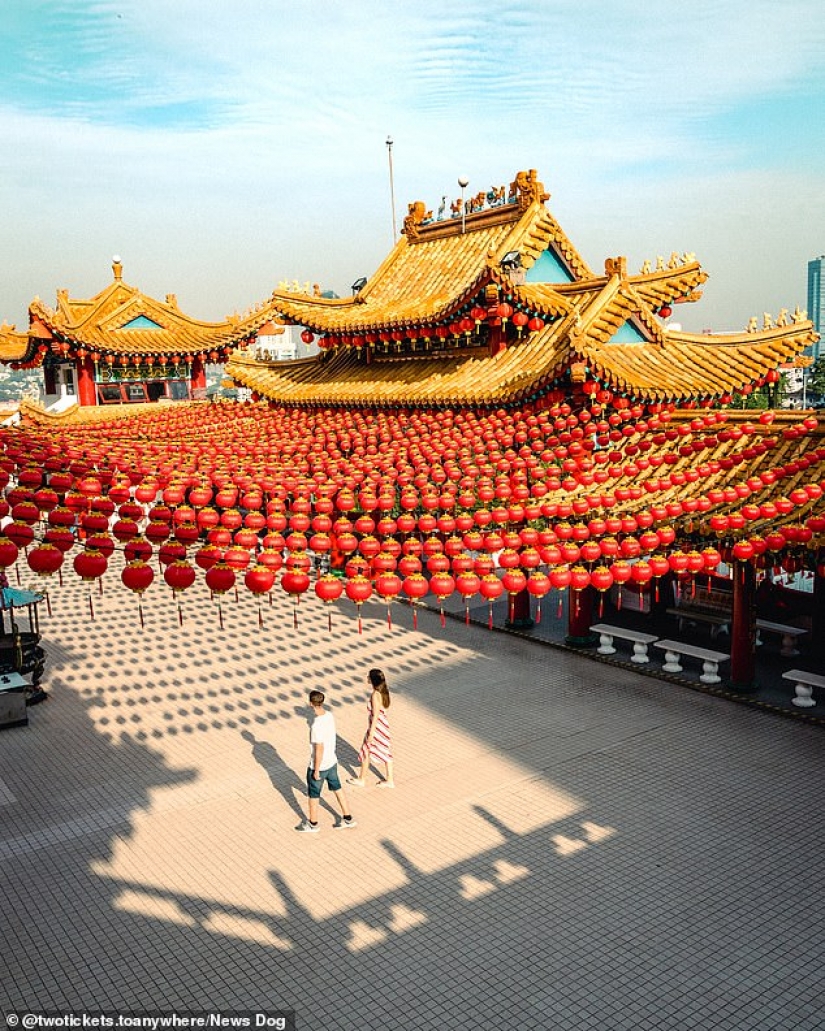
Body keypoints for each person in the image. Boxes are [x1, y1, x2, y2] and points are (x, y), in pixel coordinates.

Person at [298, 689, 356, 833]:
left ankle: (313, 824)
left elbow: (319, 749)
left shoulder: (316, 726)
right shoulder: (329, 716)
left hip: (320, 765)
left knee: (313, 795)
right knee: (337, 788)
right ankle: (348, 818)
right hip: (332, 761)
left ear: (311, 704)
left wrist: (316, 770)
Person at [349, 668, 394, 788]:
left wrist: (371, 732)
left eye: (369, 677)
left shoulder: (375, 695)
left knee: (367, 750)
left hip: (377, 727)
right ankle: (388, 780)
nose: (367, 678)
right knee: (381, 751)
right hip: (383, 725)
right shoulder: (383, 692)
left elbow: (375, 715)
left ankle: (362, 779)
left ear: (373, 680)